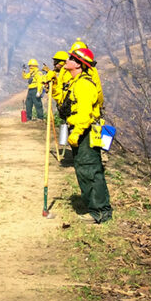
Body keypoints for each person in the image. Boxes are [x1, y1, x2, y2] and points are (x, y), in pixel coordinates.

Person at [62, 46, 112, 223]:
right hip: (81, 131)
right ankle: (94, 207)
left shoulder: (84, 84)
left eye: (70, 58)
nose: (66, 60)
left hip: (85, 132)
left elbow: (85, 114)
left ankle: (100, 212)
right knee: (84, 170)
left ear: (78, 64)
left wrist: (76, 132)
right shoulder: (76, 82)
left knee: (90, 169)